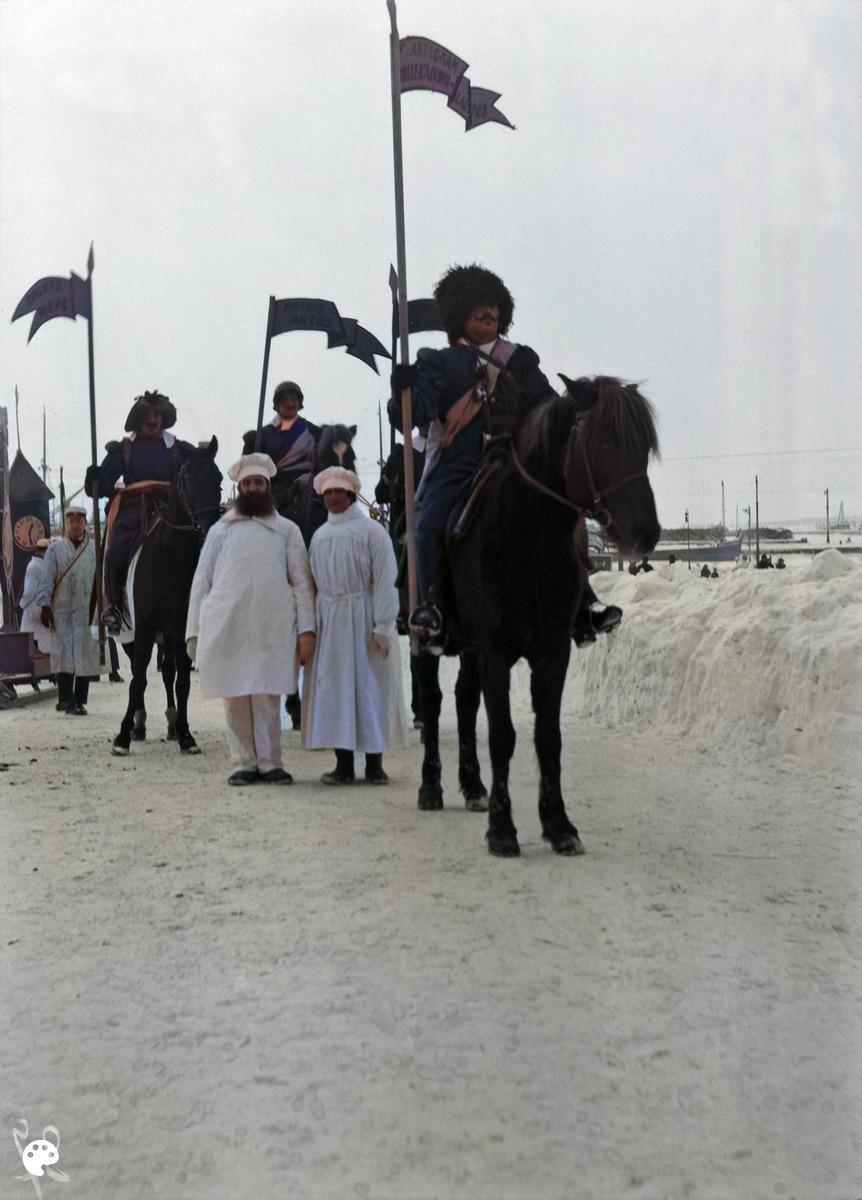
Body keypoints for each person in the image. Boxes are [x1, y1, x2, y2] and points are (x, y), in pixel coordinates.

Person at [389, 264, 558, 648]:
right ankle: (432, 603)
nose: (491, 316)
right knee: (429, 523)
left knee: (561, 515)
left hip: (515, 458)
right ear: (460, 317)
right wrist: (405, 392)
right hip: (460, 460)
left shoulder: (519, 359)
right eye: (482, 311)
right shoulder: (440, 361)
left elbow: (547, 403)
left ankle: (581, 603)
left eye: (496, 310)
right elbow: (412, 417)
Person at [185, 453, 316, 786]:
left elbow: (301, 581)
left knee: (267, 695)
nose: (254, 488)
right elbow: (202, 580)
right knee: (236, 695)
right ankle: (243, 761)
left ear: (267, 487)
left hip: (272, 627)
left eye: (259, 483)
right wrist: (193, 632)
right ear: (239, 488)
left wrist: (307, 630)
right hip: (229, 626)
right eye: (248, 484)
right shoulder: (219, 531)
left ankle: (271, 762)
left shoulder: (287, 530)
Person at [302, 465, 408, 784]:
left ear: (350, 495)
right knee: (335, 690)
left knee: (369, 687)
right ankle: (343, 764)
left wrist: (383, 624)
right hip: (331, 622)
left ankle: (375, 764)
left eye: (340, 492)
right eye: (329, 493)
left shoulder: (372, 532)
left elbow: (387, 580)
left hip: (364, 619)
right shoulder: (319, 536)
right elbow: (312, 584)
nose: (334, 498)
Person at [85, 390, 196, 636]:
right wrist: (95, 478)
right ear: (138, 419)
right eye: (147, 414)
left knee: (197, 541)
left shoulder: (179, 449)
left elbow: (194, 477)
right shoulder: (123, 449)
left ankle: (197, 601)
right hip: (135, 508)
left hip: (171, 507)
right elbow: (103, 486)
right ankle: (114, 605)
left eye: (157, 414)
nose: (152, 419)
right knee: (115, 551)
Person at [36, 506, 100, 714]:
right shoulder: (55, 550)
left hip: (87, 609)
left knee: (85, 655)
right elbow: (46, 579)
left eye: (79, 520)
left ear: (85, 523)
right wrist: (45, 605)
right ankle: (65, 699)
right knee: (63, 653)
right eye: (71, 520)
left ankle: (80, 700)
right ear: (65, 523)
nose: (75, 524)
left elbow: (102, 580)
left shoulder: (94, 549)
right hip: (61, 608)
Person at [242, 381, 321, 517]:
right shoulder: (263, 434)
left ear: (299, 403)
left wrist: (312, 478)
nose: (290, 403)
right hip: (276, 494)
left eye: (293, 399)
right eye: (285, 399)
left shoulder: (313, 431)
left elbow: (323, 462)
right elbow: (251, 471)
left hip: (311, 488)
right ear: (277, 405)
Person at [19, 536, 53, 655]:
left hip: (38, 612)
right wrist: (23, 604)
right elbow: (30, 591)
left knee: (40, 647)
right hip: (35, 611)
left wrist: (21, 605)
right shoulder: (35, 566)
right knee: (37, 646)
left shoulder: (38, 565)